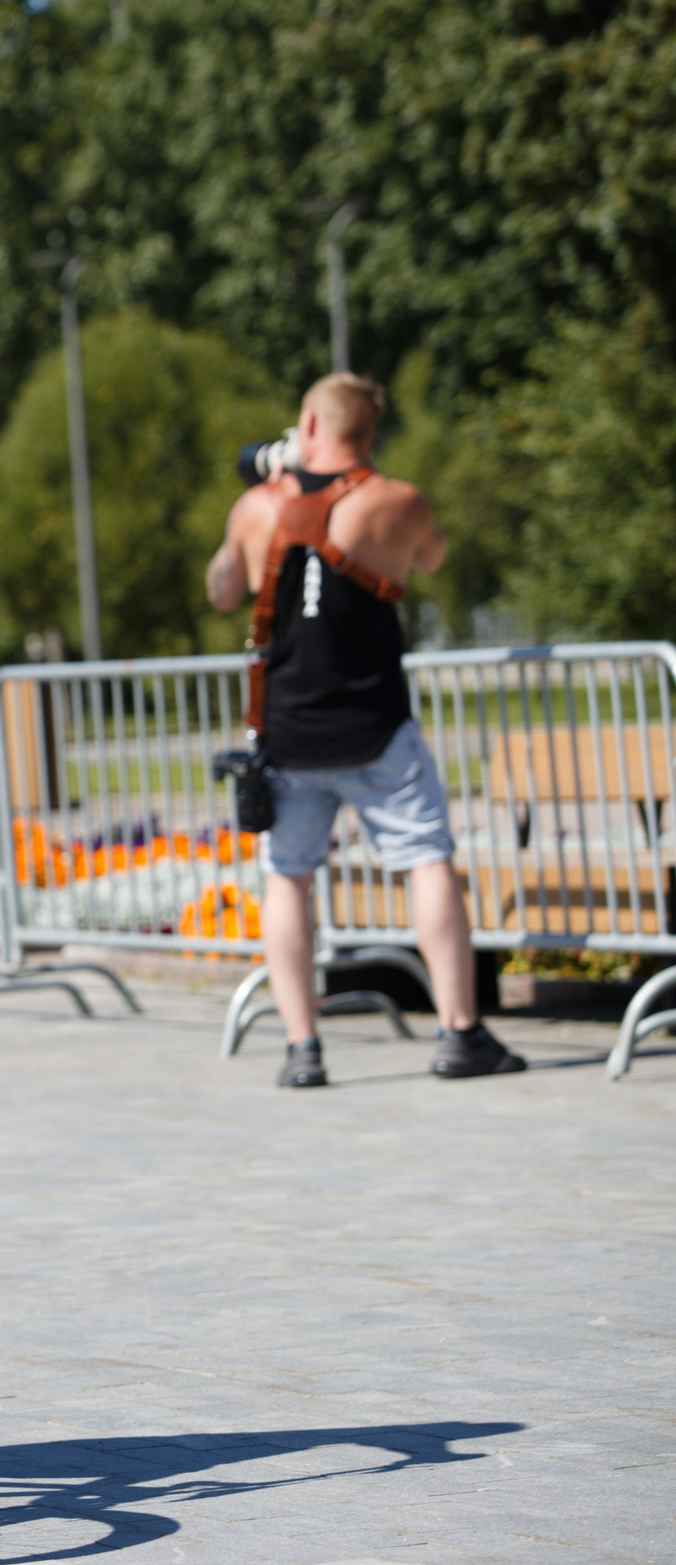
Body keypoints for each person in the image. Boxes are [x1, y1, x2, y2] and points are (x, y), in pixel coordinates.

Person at [207, 372, 522, 1088]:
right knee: (426, 861)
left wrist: (253, 516)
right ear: (368, 433)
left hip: (286, 728)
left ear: (308, 428)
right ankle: (459, 1033)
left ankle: (301, 1049)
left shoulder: (257, 506)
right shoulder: (398, 501)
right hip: (377, 725)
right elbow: (432, 556)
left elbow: (223, 589)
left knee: (288, 878)